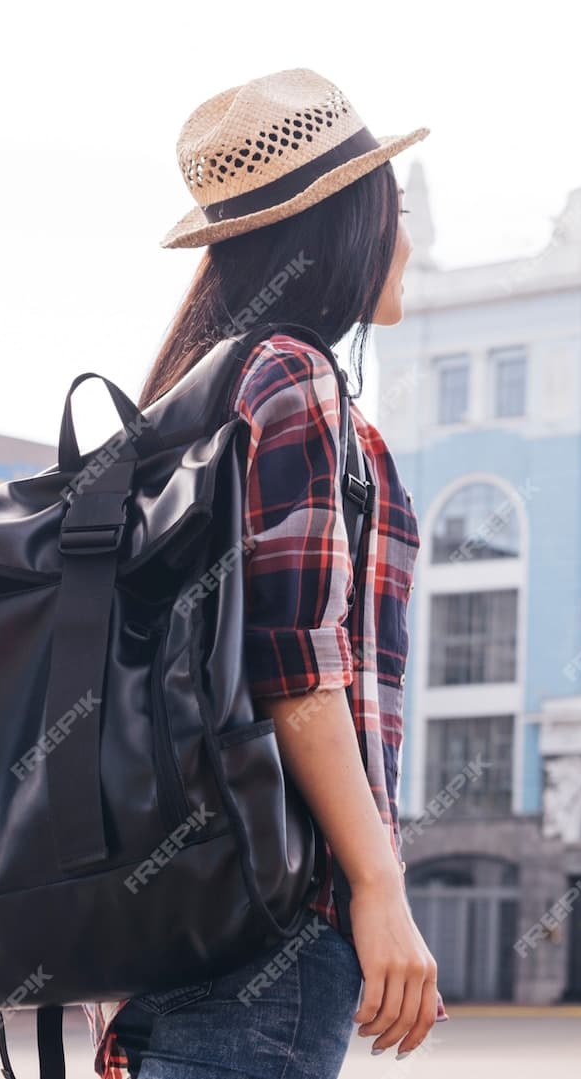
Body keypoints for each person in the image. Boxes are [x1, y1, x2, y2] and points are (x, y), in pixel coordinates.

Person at [82, 68, 442, 1078]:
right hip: (275, 924)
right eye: (395, 210)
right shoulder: (292, 376)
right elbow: (297, 668)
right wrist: (377, 887)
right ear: (346, 227)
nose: (406, 239)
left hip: (171, 922)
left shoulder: (186, 397)